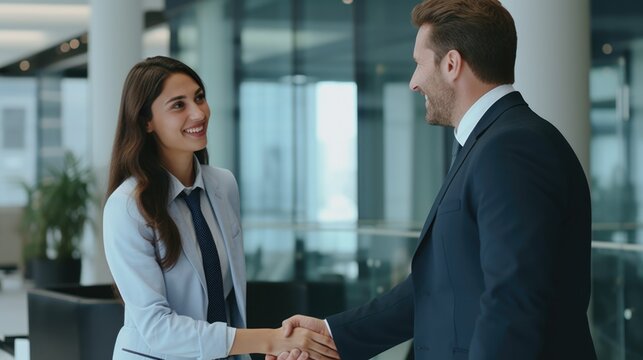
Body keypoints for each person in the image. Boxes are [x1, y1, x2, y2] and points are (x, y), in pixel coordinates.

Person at [271, 0, 597, 359]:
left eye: (418, 64)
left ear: (452, 64)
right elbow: (441, 286)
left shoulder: (510, 148)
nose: (414, 83)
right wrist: (333, 333)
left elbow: (512, 302)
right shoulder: (488, 143)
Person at [103, 56, 338, 360]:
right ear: (146, 121)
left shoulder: (223, 185)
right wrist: (268, 340)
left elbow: (228, 302)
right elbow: (157, 329)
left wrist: (273, 347)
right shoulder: (127, 207)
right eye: (178, 105)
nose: (198, 112)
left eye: (199, 97)